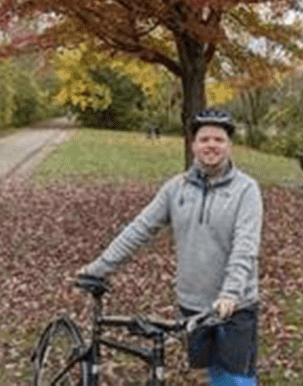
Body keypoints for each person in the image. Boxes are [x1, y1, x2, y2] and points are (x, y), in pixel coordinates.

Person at [78, 109, 263, 386]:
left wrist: (231, 293)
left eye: (218, 139)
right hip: (193, 303)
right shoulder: (176, 188)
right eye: (204, 139)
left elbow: (245, 247)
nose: (211, 145)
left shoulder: (246, 190)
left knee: (236, 379)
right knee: (212, 372)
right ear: (193, 145)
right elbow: (139, 230)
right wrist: (99, 268)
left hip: (235, 306)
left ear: (229, 145)